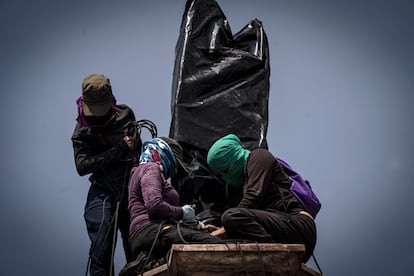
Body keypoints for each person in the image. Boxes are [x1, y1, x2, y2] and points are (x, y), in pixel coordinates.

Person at [206, 134, 317, 262]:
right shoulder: (233, 189)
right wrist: (225, 230)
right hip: (273, 232)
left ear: (236, 157)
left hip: (299, 227)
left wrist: (225, 228)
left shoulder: (259, 157)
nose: (225, 177)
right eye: (220, 174)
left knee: (230, 217)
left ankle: (274, 259)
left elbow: (254, 195)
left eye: (226, 170)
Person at [71, 73, 141, 275]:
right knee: (101, 250)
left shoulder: (126, 115)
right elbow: (82, 166)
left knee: (137, 249)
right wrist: (117, 149)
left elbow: (136, 153)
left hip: (130, 191)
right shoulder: (81, 132)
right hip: (102, 193)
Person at [124, 137, 222, 275]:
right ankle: (145, 263)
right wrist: (182, 212)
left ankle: (149, 262)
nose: (174, 169)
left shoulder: (139, 171)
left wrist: (197, 226)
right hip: (151, 230)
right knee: (213, 243)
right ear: (161, 153)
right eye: (175, 164)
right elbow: (154, 205)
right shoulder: (151, 168)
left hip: (146, 233)